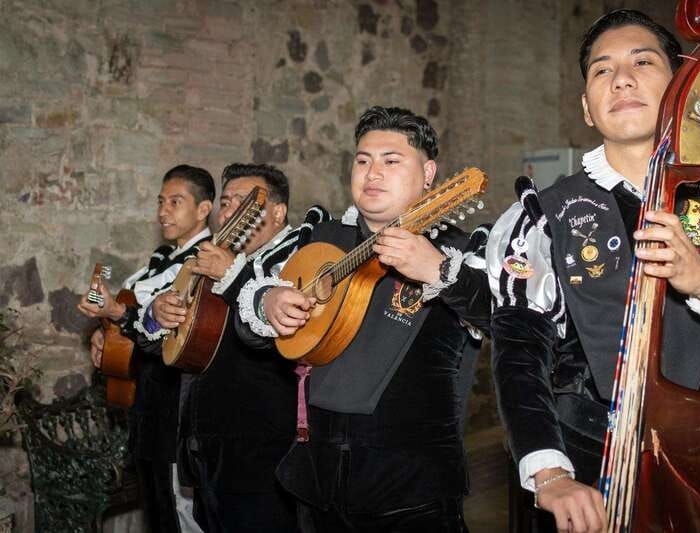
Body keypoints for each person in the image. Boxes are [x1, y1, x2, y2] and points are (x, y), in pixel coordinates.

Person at [487, 9, 700, 533]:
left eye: (642, 61)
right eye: (601, 70)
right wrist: (548, 471)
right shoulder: (543, 215)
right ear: (587, 108)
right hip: (583, 471)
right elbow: (519, 356)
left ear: (682, 81)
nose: (622, 79)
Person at [238, 106, 491, 532]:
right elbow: (251, 328)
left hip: (413, 492)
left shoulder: (461, 249)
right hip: (316, 482)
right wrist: (270, 304)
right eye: (362, 161)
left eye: (391, 161)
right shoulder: (320, 238)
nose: (373, 173)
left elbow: (505, 319)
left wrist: (438, 272)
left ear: (428, 174)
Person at [148, 162, 329, 532]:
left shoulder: (299, 254)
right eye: (226, 203)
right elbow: (170, 341)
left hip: (264, 450)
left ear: (277, 212)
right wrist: (157, 313)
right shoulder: (209, 266)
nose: (230, 211)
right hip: (207, 445)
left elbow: (277, 331)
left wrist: (234, 271)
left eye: (242, 202)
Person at [77, 164, 214, 532]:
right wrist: (102, 331)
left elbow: (154, 317)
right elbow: (127, 301)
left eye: (175, 201)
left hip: (177, 414)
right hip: (148, 410)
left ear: (204, 209)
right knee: (157, 510)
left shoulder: (204, 263)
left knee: (181, 513)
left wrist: (116, 313)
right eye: (160, 201)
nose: (162, 211)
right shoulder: (158, 260)